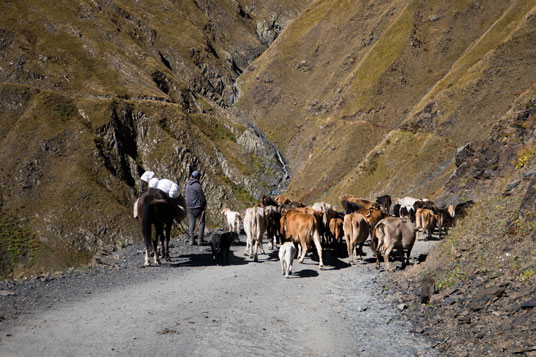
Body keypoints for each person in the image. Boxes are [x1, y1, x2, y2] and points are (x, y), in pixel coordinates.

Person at [185, 170, 206, 245]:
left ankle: (191, 240)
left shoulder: (187, 185)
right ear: (197, 177)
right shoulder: (197, 185)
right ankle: (200, 240)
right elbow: (202, 197)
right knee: (201, 222)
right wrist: (204, 204)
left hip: (189, 207)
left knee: (191, 222)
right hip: (198, 207)